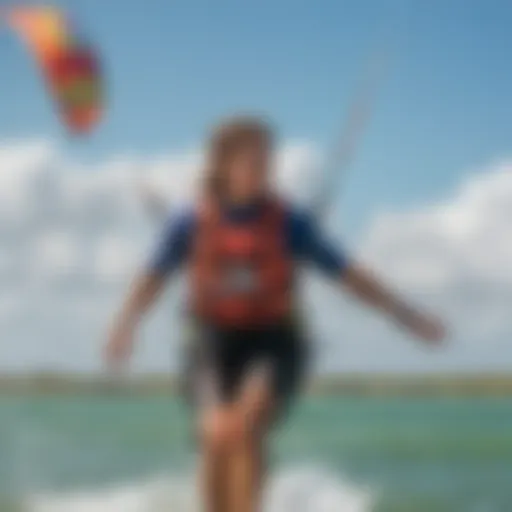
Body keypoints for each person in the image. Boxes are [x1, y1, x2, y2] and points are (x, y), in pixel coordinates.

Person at [105, 116, 445, 512]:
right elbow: (153, 277)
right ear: (223, 164)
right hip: (210, 340)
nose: (265, 169)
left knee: (248, 425)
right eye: (254, 160)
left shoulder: (289, 224)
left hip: (274, 339)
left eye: (268, 160)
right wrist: (124, 325)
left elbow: (349, 275)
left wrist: (405, 315)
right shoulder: (190, 221)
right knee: (216, 434)